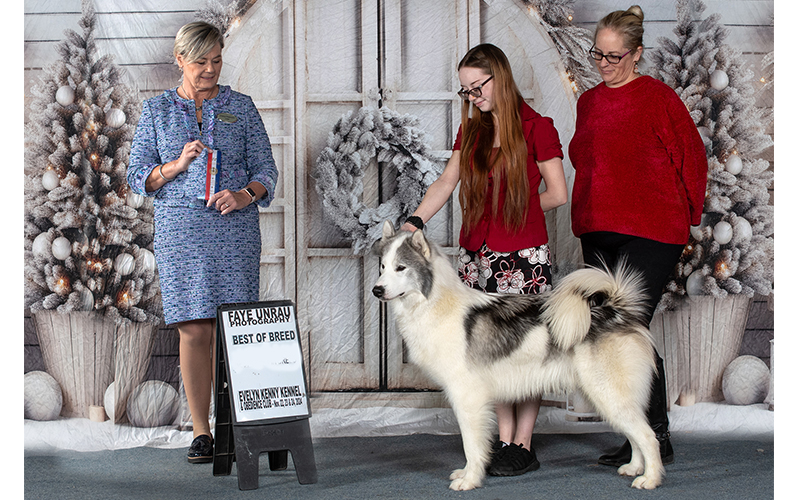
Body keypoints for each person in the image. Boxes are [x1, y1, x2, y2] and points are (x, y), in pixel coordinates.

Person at [401, 43, 567, 477]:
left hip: (524, 258)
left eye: (478, 87)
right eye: (466, 91)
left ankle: (522, 444)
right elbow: (445, 181)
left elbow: (557, 193)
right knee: (488, 351)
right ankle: (500, 439)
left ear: (500, 76)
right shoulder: (472, 132)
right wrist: (414, 221)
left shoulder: (538, 127)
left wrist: (516, 214)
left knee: (528, 351)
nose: (473, 97)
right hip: (477, 258)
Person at [127, 22, 278, 464]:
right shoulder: (156, 111)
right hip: (180, 232)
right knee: (194, 329)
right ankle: (201, 431)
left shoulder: (242, 108)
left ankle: (242, 425)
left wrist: (244, 194)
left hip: (234, 232)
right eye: (200, 62)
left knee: (235, 329)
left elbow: (266, 170)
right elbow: (138, 176)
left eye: (216, 60)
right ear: (180, 59)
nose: (210, 69)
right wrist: (176, 164)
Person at [569, 5, 708, 467]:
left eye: (613, 56)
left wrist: (690, 215)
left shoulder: (658, 98)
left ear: (636, 54)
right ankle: (641, 434)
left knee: (629, 329)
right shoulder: (587, 101)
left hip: (651, 229)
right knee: (609, 332)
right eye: (598, 55)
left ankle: (655, 436)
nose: (604, 64)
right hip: (598, 228)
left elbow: (692, 157)